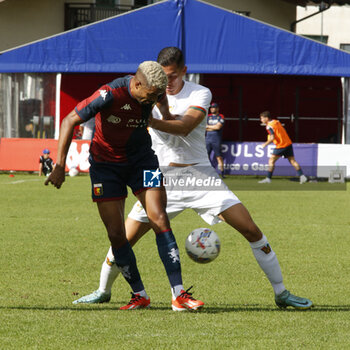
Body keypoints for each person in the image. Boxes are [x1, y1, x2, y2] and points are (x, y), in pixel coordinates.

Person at [74, 47, 313, 311]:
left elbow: (185, 127)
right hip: (162, 177)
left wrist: (146, 121)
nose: (167, 83)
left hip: (201, 176)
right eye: (163, 77)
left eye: (173, 76)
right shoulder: (145, 93)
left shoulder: (200, 92)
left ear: (184, 71)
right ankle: (103, 290)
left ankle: (281, 293)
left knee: (250, 229)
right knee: (123, 238)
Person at [45, 60, 203, 311]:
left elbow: (160, 98)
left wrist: (167, 115)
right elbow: (68, 121)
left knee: (160, 219)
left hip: (143, 162)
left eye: (156, 96)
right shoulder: (109, 94)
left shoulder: (155, 91)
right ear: (138, 83)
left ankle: (179, 295)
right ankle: (139, 295)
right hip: (106, 167)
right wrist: (60, 166)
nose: (152, 99)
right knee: (116, 234)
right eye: (149, 95)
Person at [258, 111, 308, 184]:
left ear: (267, 118)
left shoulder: (269, 126)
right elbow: (283, 130)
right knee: (292, 161)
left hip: (281, 145)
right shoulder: (276, 121)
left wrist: (265, 144)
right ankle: (302, 176)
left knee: (271, 160)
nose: (261, 120)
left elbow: (272, 138)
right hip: (288, 143)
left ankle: (268, 178)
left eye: (262, 118)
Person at [206, 102, 225, 177]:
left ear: (217, 108)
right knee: (206, 156)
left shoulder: (220, 116)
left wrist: (208, 127)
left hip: (216, 139)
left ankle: (222, 173)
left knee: (219, 156)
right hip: (207, 139)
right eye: (211, 107)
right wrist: (213, 127)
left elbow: (218, 127)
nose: (212, 109)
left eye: (214, 107)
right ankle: (208, 172)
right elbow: (204, 127)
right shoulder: (208, 116)